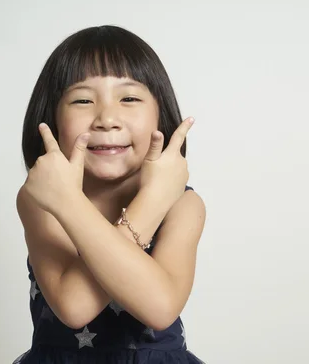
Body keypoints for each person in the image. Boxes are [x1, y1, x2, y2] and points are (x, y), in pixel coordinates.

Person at [13, 25, 206, 363]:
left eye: (129, 98)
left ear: (161, 113)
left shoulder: (184, 205)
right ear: (52, 118)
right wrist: (152, 200)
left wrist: (161, 199)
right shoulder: (41, 200)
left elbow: (159, 308)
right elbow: (74, 307)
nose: (107, 119)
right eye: (82, 100)